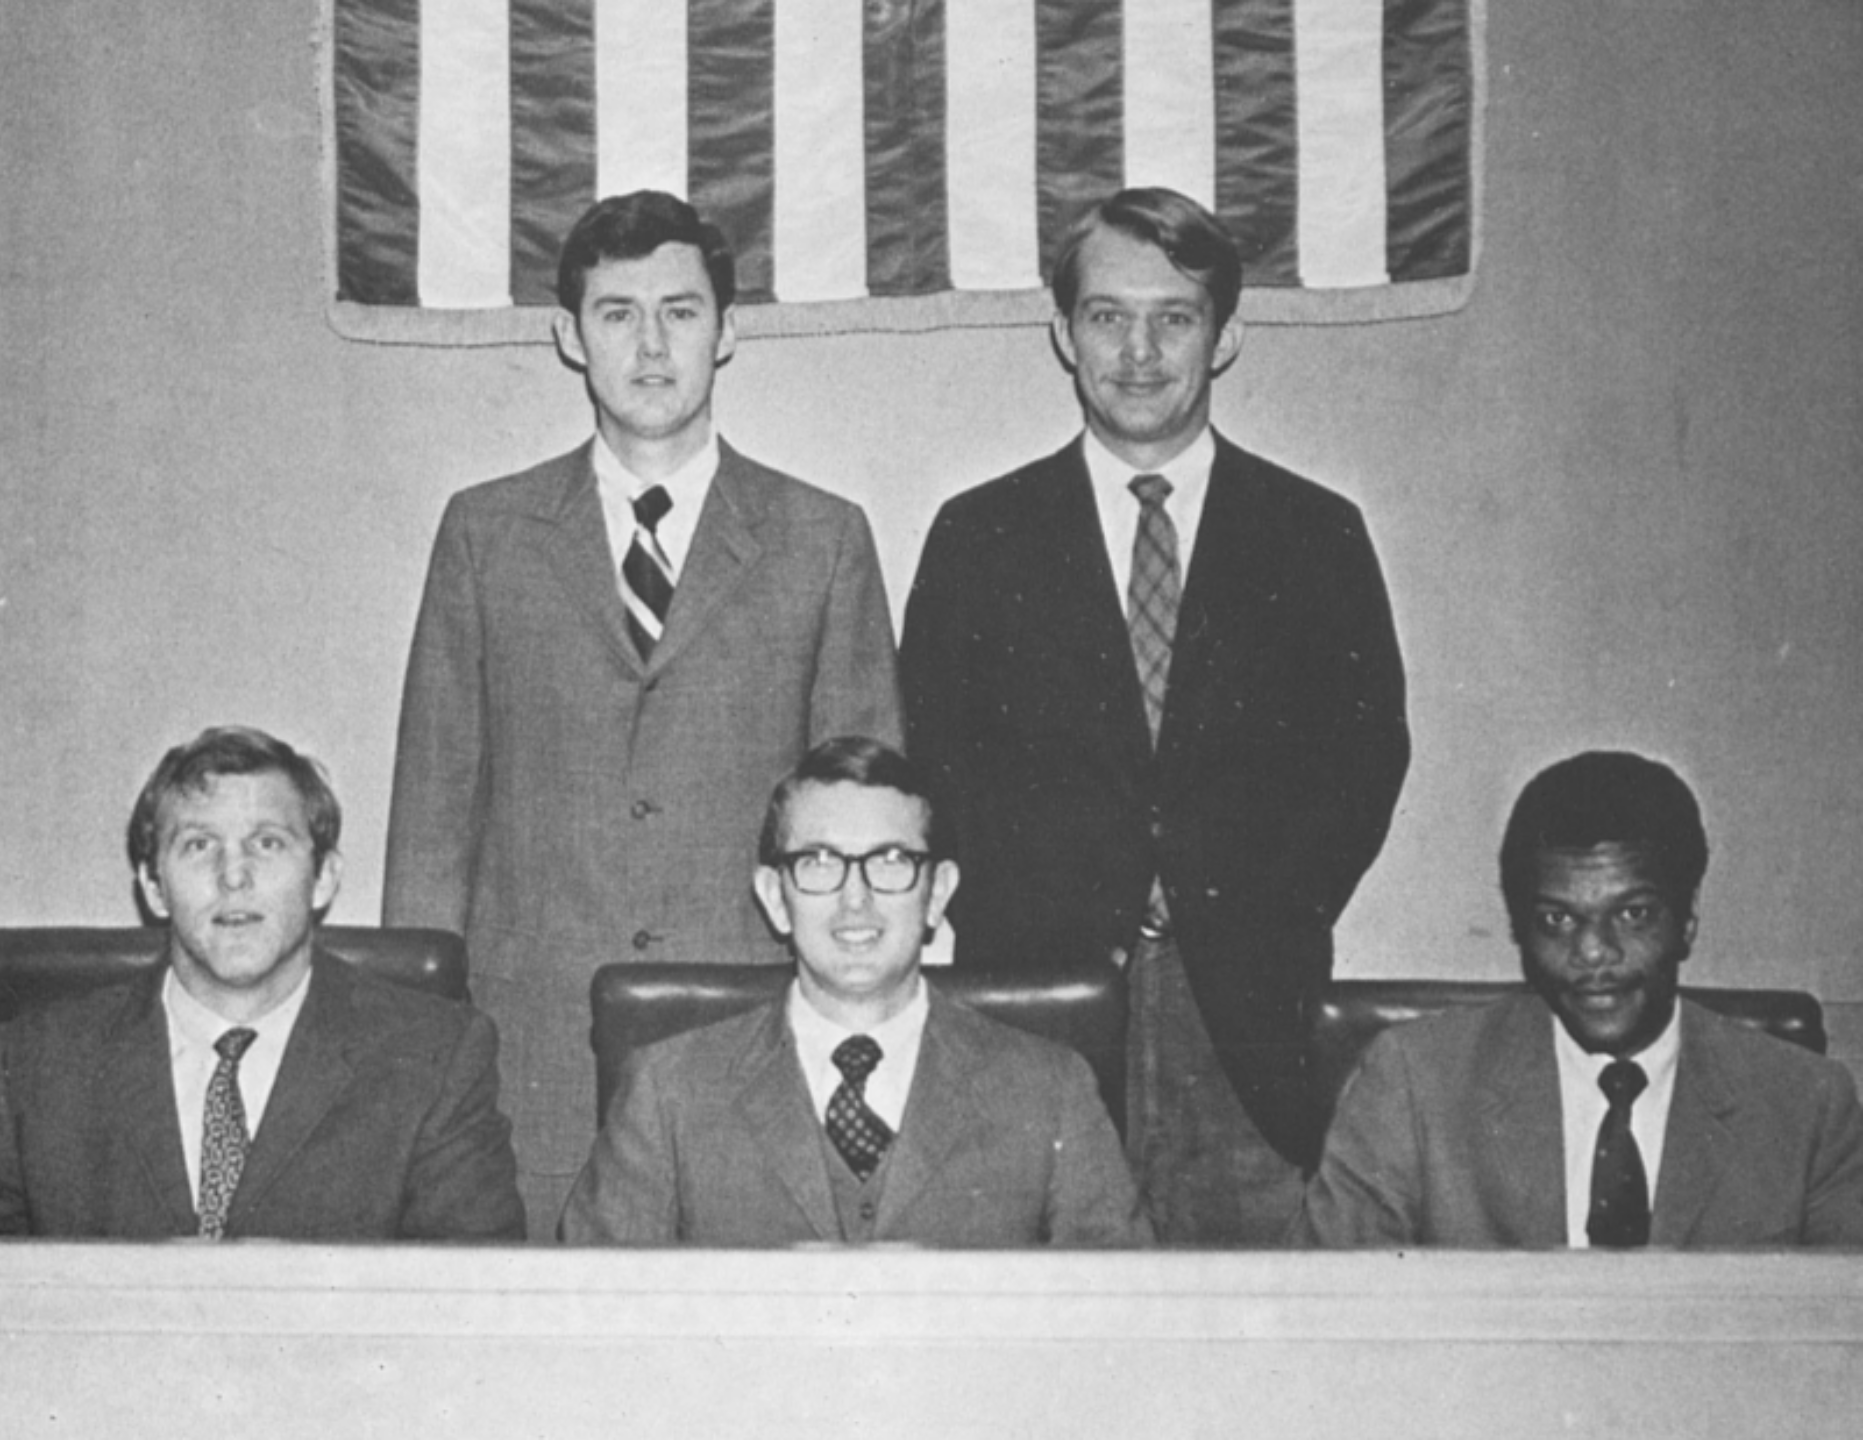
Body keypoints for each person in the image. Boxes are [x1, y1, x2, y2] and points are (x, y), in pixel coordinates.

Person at [383, 191, 903, 1236]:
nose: (652, 345)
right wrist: (422, 1040)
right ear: (569, 338)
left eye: (681, 310)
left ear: (729, 329)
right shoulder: (487, 534)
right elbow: (435, 813)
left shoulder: (821, 539)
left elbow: (872, 830)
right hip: (532, 1046)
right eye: (617, 314)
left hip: (749, 1026)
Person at [900, 187, 1408, 1244]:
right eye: (1107, 315)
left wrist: (1253, 902)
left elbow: (1365, 760)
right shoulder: (981, 537)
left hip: (1247, 1018)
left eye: (1174, 317)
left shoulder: (1313, 536)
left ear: (1222, 337)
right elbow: (931, 761)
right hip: (1040, 999)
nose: (1140, 350)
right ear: (1061, 330)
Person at [561, 736, 1151, 1247]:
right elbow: (592, 1330)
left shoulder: (1050, 1092)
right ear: (774, 896)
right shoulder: (668, 1092)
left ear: (938, 893)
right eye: (819, 862)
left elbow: (1122, 1331)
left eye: (890, 861)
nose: (855, 898)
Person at [0, 726, 524, 1240]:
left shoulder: (435, 1060)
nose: (234, 876)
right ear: (152, 885)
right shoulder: (37, 1065)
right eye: (199, 846)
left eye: (266, 843)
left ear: (323, 878)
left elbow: (471, 1322)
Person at [1292, 751, 1863, 1247]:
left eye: (1633, 914)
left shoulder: (1809, 1107)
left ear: (1686, 921)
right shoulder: (1414, 1085)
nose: (1592, 951)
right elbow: (1330, 1324)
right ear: (1519, 927)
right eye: (1557, 918)